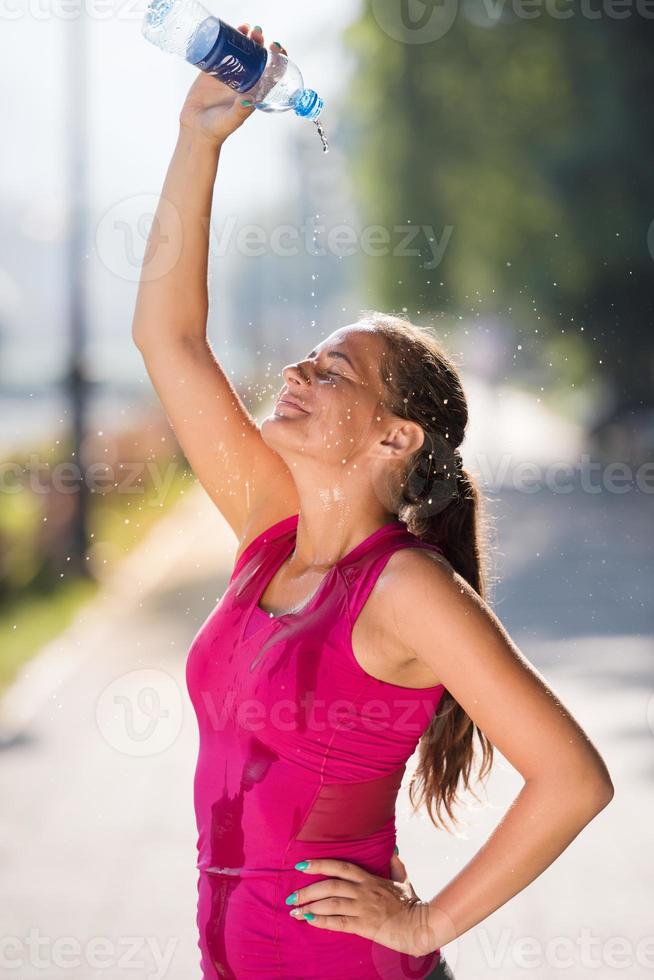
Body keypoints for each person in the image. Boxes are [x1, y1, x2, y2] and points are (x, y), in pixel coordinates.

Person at [131, 24, 615, 980]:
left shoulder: (403, 590)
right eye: (314, 354)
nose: (303, 367)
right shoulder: (272, 542)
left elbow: (573, 780)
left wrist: (424, 924)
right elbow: (169, 340)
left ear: (396, 438)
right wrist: (199, 139)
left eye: (338, 368)